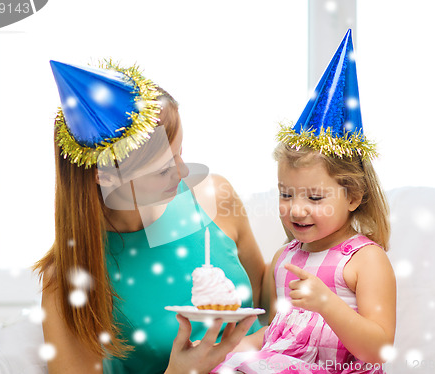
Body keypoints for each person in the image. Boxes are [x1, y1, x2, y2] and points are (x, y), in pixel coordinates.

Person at [34, 59, 265, 374]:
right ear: (106, 176)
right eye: (163, 170)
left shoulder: (214, 197)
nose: (183, 173)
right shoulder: (67, 279)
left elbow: (270, 301)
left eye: (180, 152)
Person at [214, 30, 396, 373]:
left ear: (354, 196)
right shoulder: (284, 258)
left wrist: (328, 304)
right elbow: (276, 335)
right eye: (285, 194)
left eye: (314, 197)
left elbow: (379, 349)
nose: (296, 209)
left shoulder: (365, 260)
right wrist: (225, 353)